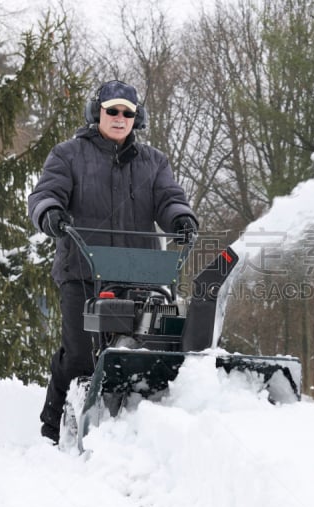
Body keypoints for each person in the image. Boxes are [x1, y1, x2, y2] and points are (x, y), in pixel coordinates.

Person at [28, 80, 198, 444]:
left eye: (127, 113)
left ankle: (147, 429)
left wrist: (181, 218)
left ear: (137, 119)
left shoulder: (154, 162)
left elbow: (169, 198)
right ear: (97, 113)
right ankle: (53, 428)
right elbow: (46, 194)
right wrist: (51, 214)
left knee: (158, 348)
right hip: (83, 271)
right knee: (80, 359)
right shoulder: (68, 154)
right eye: (113, 111)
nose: (120, 118)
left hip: (142, 272)